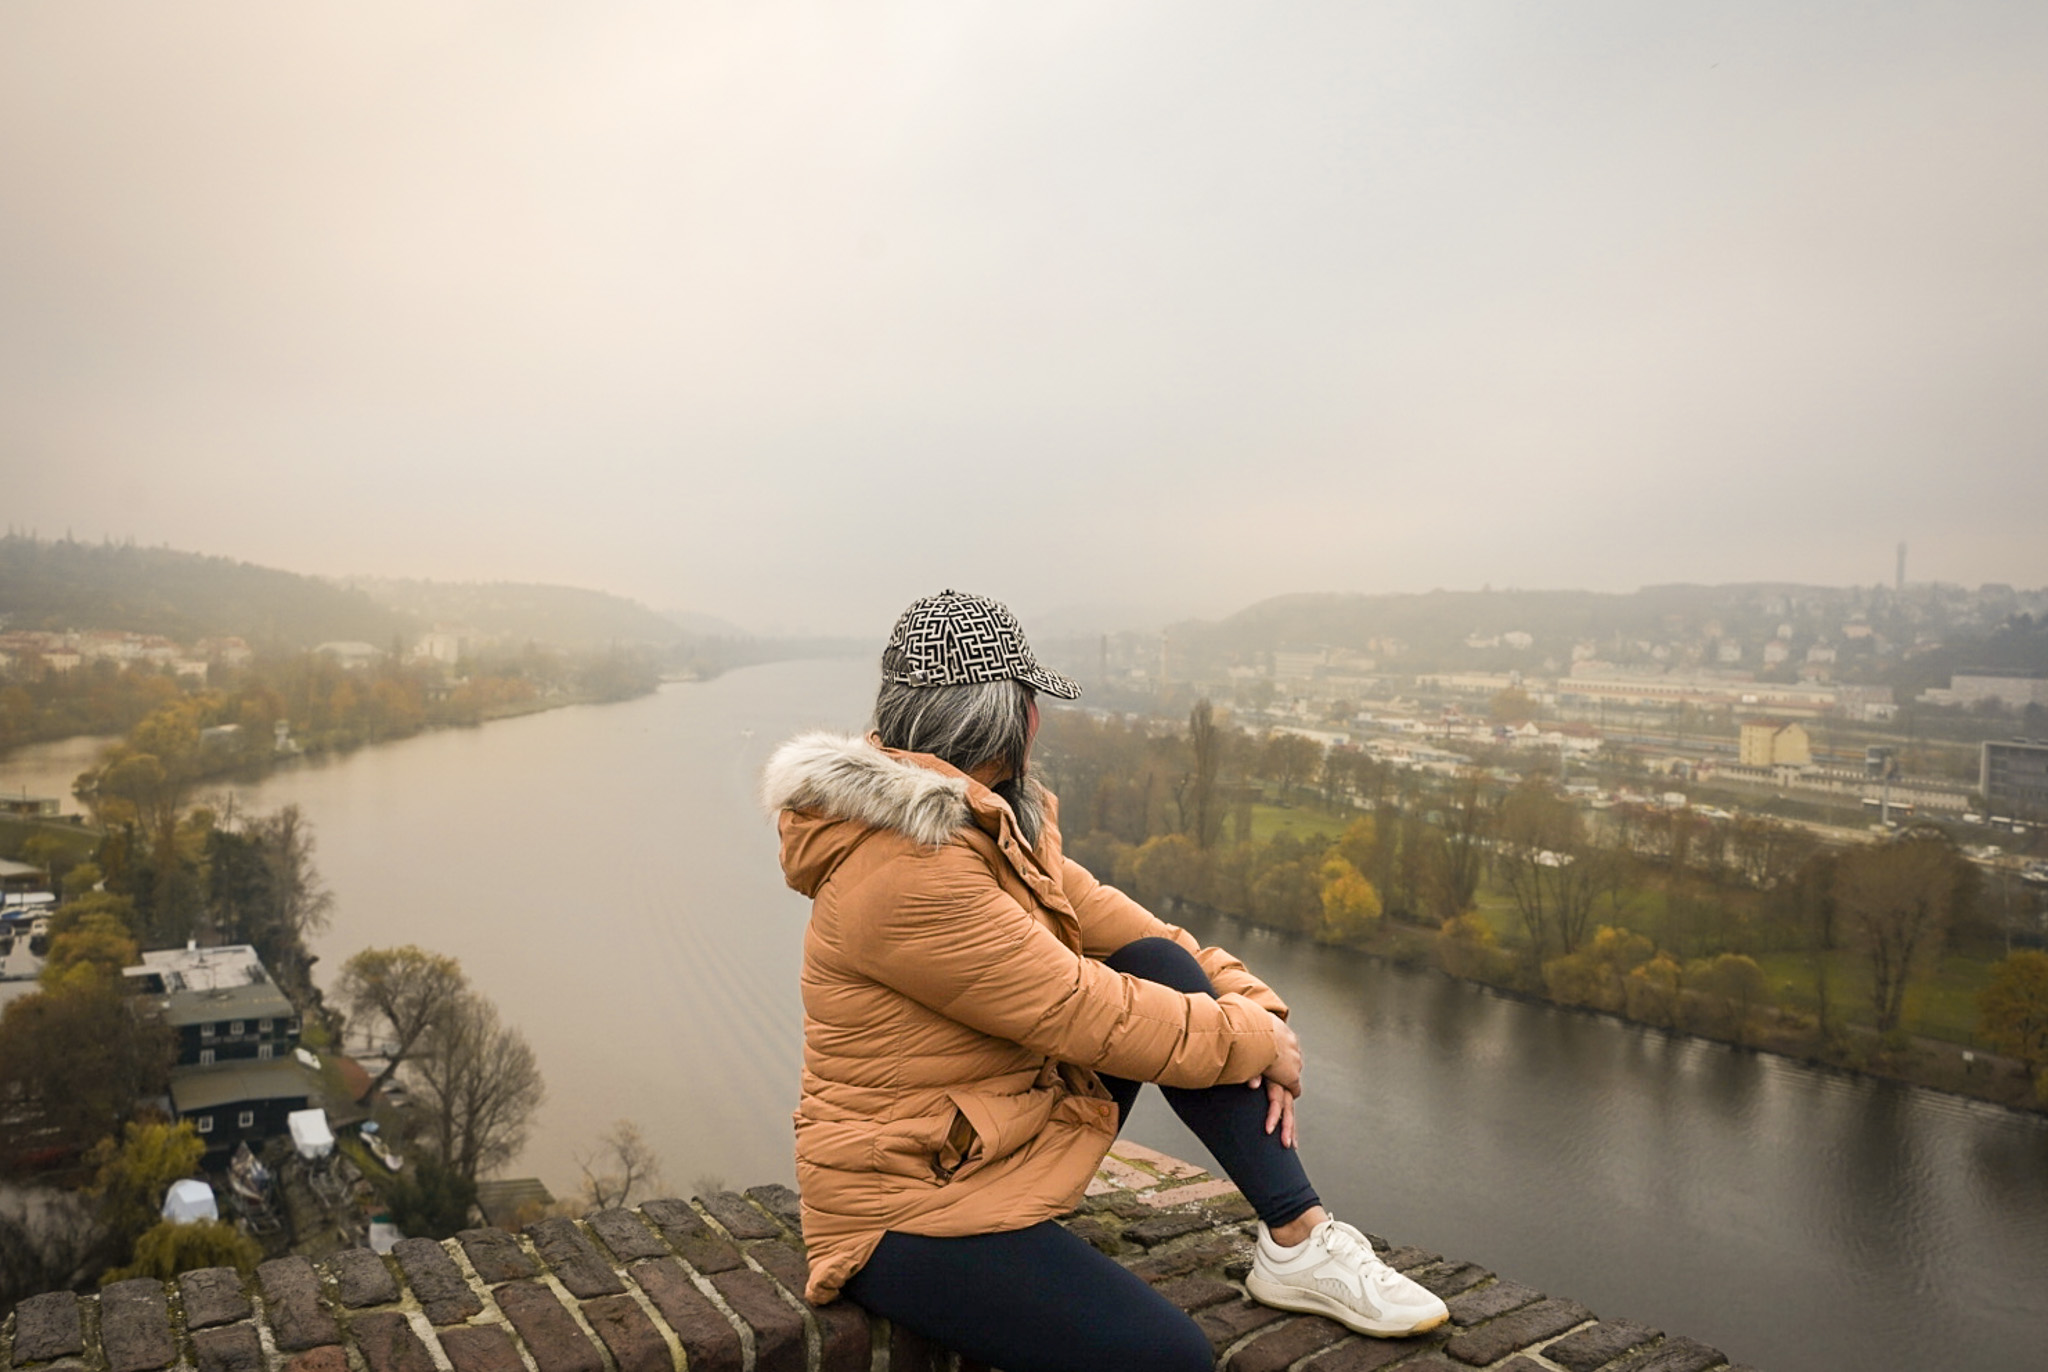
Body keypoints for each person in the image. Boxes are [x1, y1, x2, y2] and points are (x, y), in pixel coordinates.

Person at [763, 589, 1447, 1372]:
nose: (1037, 724)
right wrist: (1257, 1043)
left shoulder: (984, 824)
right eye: (1029, 704)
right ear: (1007, 719)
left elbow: (1139, 936)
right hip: (906, 1205)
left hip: (982, 1143)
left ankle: (1297, 1240)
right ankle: (1290, 1242)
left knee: (1158, 967)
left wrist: (1256, 1008)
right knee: (1168, 1359)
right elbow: (1093, 1015)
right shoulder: (909, 869)